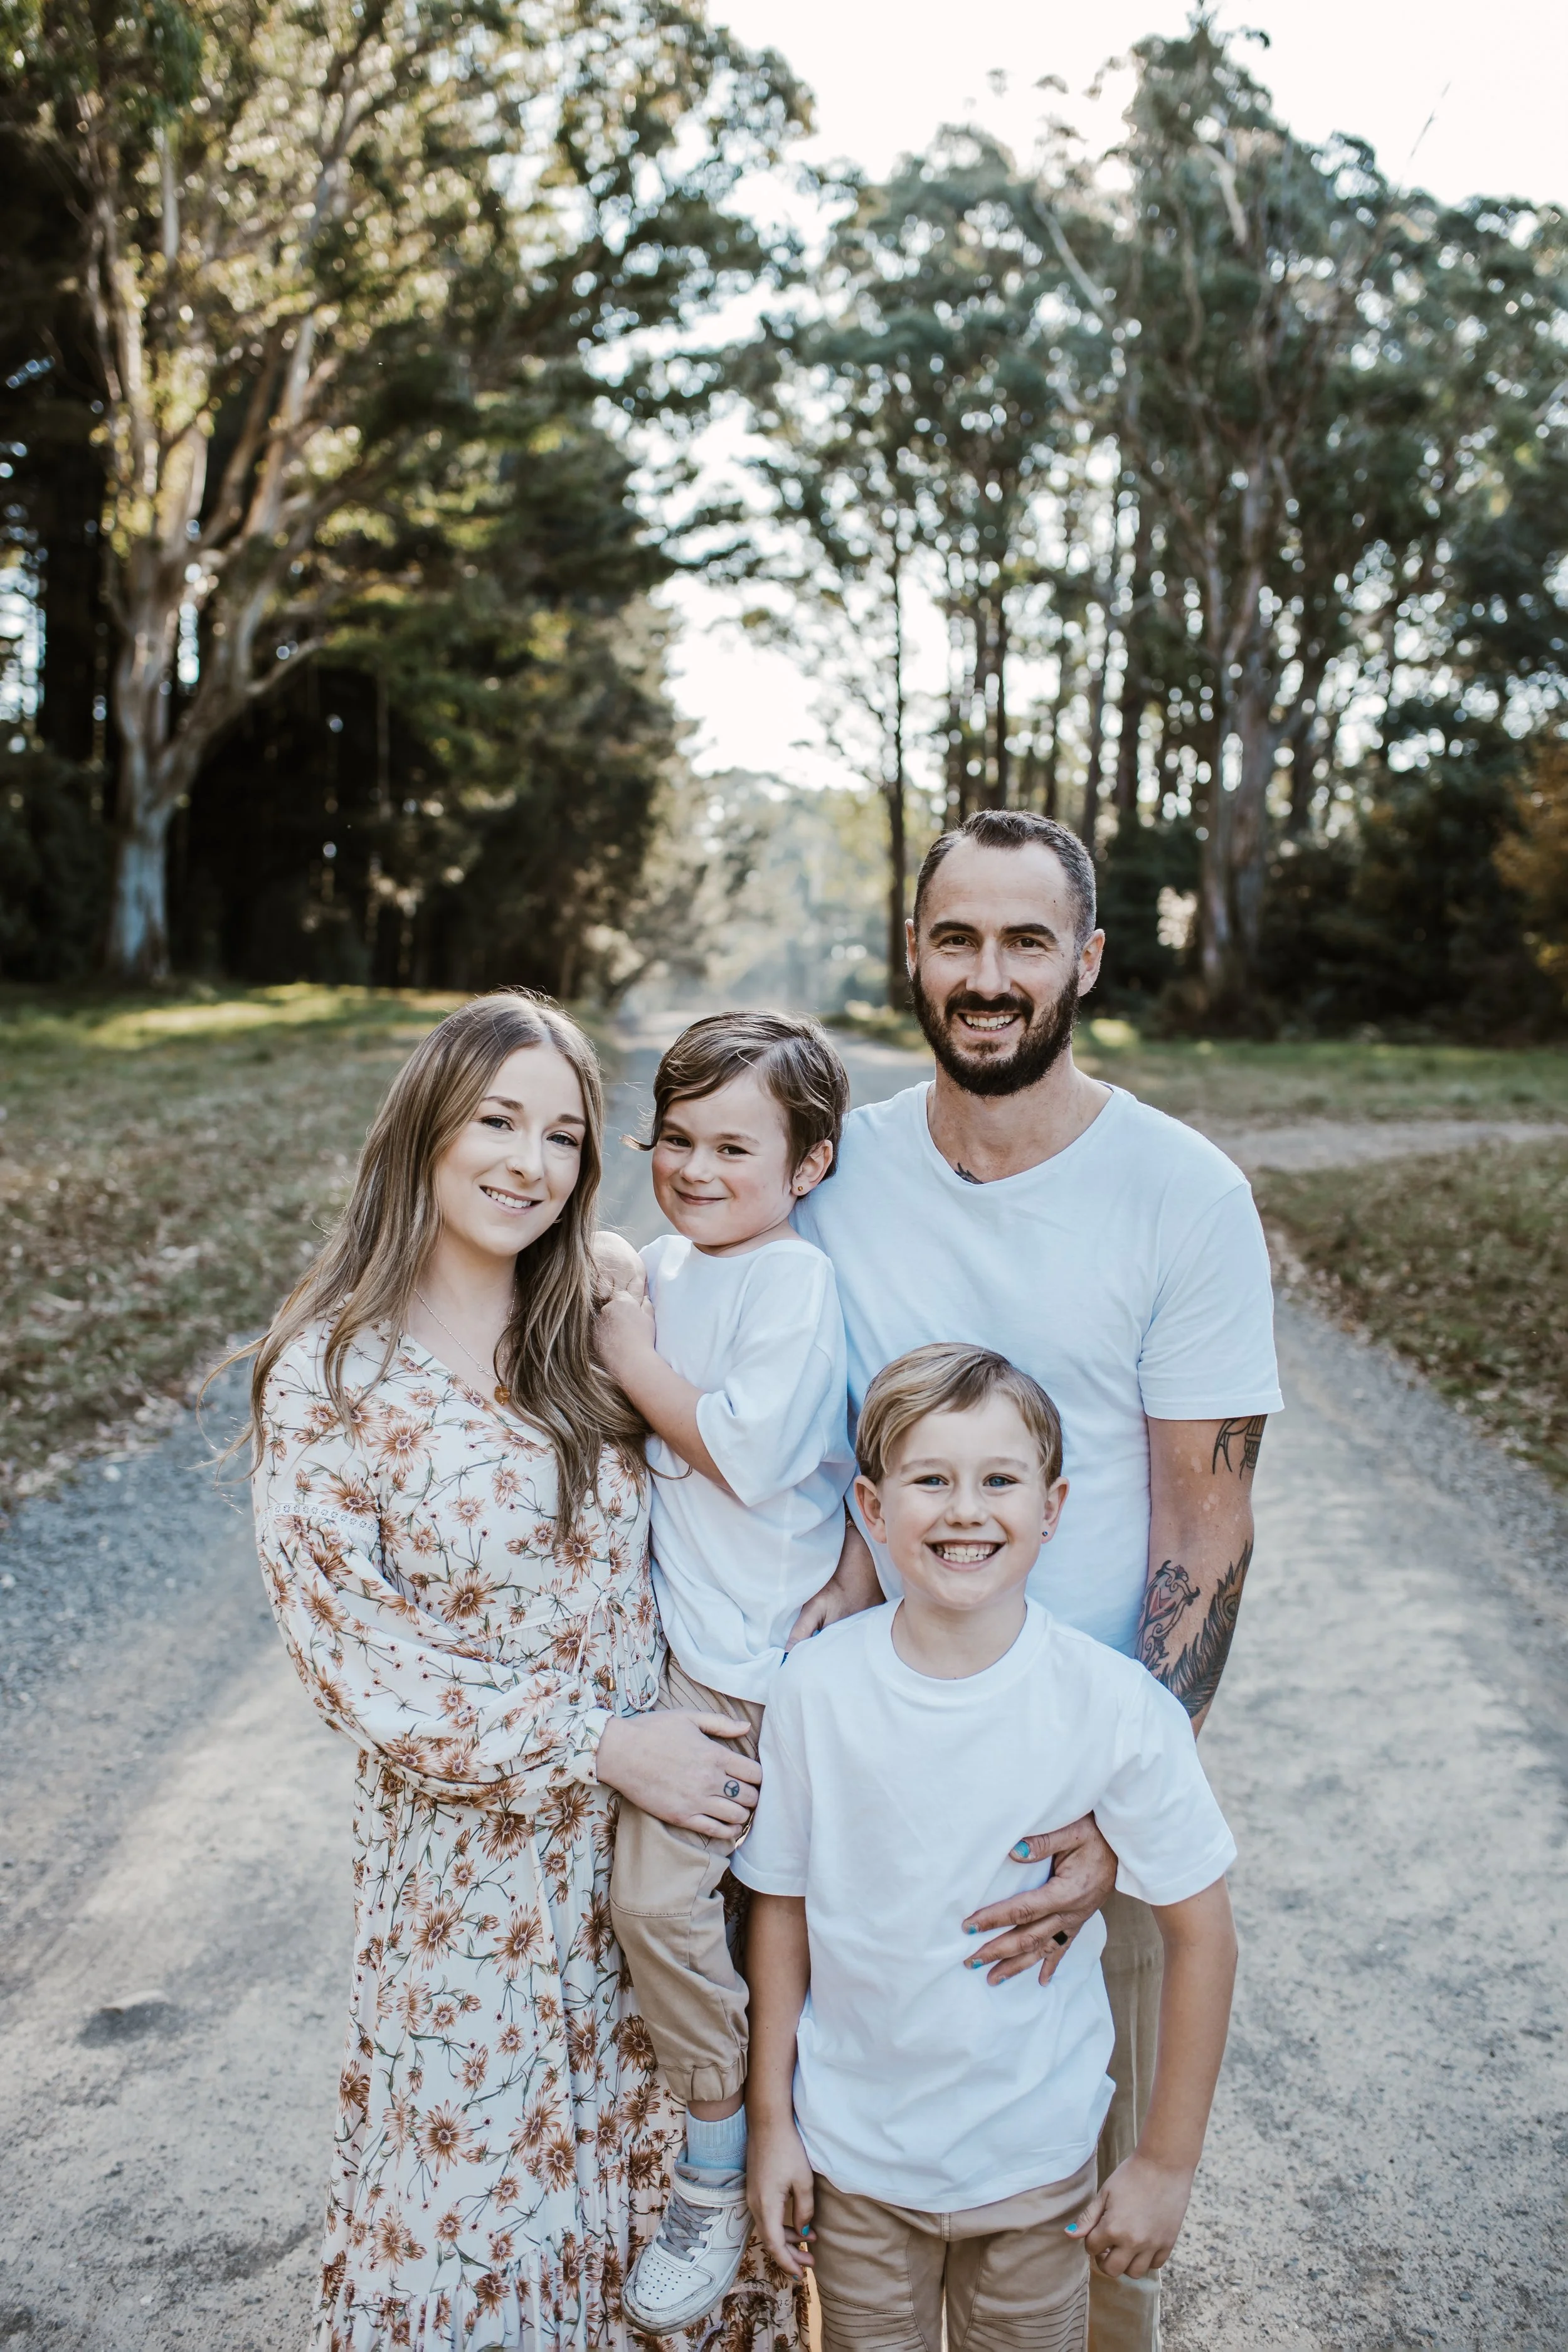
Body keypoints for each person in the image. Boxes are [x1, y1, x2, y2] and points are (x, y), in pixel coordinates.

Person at [793, 808, 1281, 2351]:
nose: (986, 976)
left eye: (1022, 942)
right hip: (869, 1774)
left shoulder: (1180, 1194)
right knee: (854, 2231)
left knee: (1077, 2273)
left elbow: (1205, 1524)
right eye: (955, 940)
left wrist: (1114, 1815)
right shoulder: (836, 1170)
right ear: (914, 958)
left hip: (1067, 1795)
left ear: (1082, 960)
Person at [248, 990, 800, 2352]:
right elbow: (353, 1660)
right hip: (468, 1896)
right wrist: (605, 1744)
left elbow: (749, 1482)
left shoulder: (597, 1317)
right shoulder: (332, 1371)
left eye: (560, 1135)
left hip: (652, 1853)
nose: (527, 1162)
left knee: (657, 2200)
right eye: (496, 1120)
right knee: (471, 2223)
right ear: (424, 1130)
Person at [741, 1343, 1239, 2352]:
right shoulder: (814, 1688)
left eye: (998, 1480)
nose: (966, 1509)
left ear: (1051, 1508)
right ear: (874, 1512)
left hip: (1036, 2163)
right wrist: (769, 2124)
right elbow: (781, 1908)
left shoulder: (1112, 1705)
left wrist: (1164, 2163)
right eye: (931, 1480)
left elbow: (1206, 1937)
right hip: (856, 2160)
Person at [590, 1012, 854, 2333]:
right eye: (674, 1138)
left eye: (731, 1148)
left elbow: (745, 1456)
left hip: (752, 1672)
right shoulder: (671, 1265)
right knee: (695, 1914)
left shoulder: (790, 1283)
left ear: (807, 1167)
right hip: (674, 1653)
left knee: (663, 1901)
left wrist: (631, 1360)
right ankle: (742, 2152)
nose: (694, 1169)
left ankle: (715, 2161)